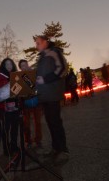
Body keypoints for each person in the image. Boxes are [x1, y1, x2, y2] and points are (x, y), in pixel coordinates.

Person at [35, 35, 69, 165]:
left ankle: (63, 151)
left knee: (56, 122)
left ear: (45, 42)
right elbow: (39, 76)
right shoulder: (42, 57)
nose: (36, 46)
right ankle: (56, 149)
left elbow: (62, 69)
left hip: (53, 94)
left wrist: (45, 79)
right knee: (50, 122)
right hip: (45, 96)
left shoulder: (55, 52)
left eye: (38, 43)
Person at [0, 58, 19, 156]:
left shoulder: (16, 75)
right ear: (3, 65)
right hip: (4, 108)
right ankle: (6, 149)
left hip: (15, 107)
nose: (9, 66)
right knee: (6, 129)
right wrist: (7, 83)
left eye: (10, 64)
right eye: (7, 64)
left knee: (15, 128)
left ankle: (14, 146)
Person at [18, 59, 42, 148]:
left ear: (28, 65)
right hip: (26, 103)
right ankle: (28, 141)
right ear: (20, 68)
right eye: (22, 66)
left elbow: (39, 85)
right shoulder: (19, 77)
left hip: (36, 102)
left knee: (38, 122)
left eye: (25, 65)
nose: (24, 67)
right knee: (26, 123)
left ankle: (38, 140)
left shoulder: (34, 73)